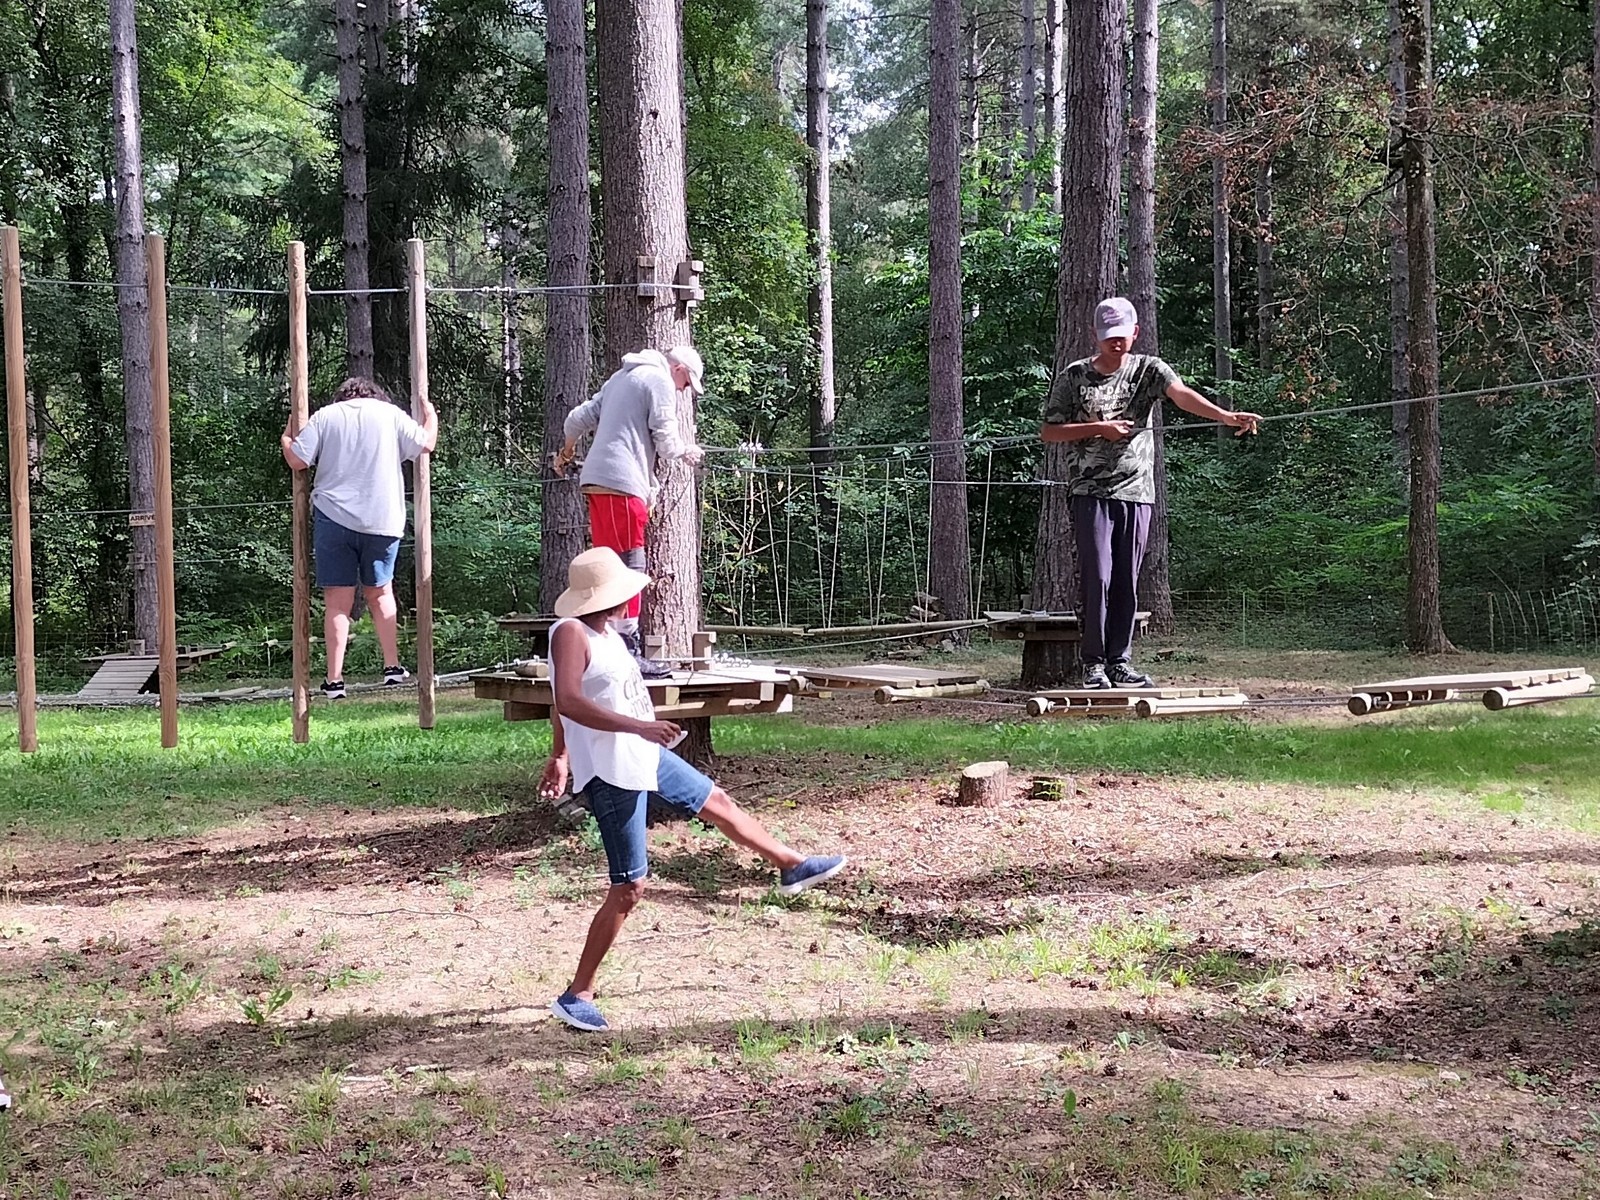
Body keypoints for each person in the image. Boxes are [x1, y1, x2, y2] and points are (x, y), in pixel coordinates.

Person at [538, 546, 847, 1033]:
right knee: (629, 887)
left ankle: (792, 865)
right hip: (612, 770)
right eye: (623, 594)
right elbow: (568, 700)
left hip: (642, 755)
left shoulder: (609, 634)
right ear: (605, 596)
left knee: (715, 801)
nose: (629, 603)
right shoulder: (571, 632)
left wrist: (568, 751)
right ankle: (577, 994)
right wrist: (589, 746)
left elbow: (578, 700)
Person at [1040, 297, 1261, 689]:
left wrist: (1225, 417)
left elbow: (1182, 395)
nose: (1116, 344)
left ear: (1135, 333)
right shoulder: (1074, 376)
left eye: (1122, 337)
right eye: (1109, 338)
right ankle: (1093, 664)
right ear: (1096, 335)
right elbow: (1050, 432)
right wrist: (1098, 430)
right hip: (1090, 491)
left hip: (1137, 492)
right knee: (1098, 577)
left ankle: (1119, 662)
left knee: (1126, 579)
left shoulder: (1148, 369)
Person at [281, 376, 438, 699]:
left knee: (337, 603)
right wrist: (432, 416)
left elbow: (298, 460)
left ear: (343, 397)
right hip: (383, 519)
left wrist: (286, 438)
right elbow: (426, 444)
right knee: (380, 594)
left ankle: (335, 680)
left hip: (334, 517)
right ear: (375, 395)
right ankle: (392, 667)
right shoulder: (389, 413)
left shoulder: (326, 415)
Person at [554, 347, 706, 675]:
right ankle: (627, 649)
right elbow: (666, 441)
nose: (683, 390)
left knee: (609, 564)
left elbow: (575, 419)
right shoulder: (659, 380)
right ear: (677, 368)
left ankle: (604, 643)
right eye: (686, 383)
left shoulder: (620, 378)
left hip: (599, 481)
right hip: (621, 483)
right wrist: (686, 451)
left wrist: (566, 452)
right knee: (629, 564)